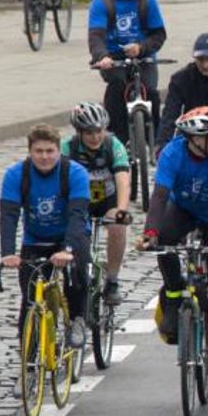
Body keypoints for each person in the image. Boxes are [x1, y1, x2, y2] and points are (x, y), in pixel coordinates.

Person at [136, 108, 208, 395]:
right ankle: (172, 293)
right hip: (184, 209)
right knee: (163, 240)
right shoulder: (173, 152)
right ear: (196, 139)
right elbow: (159, 196)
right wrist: (149, 233)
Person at [0, 124, 91, 348]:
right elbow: (9, 215)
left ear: (59, 151)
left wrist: (68, 250)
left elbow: (78, 215)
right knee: (30, 298)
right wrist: (8, 253)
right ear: (30, 152)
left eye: (50, 151)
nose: (44, 157)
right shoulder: (15, 175)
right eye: (39, 151)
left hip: (69, 238)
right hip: (35, 240)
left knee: (76, 276)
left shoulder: (75, 173)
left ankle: (78, 318)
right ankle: (29, 359)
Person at [87, 0, 167, 145]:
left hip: (143, 53)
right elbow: (96, 35)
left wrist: (141, 47)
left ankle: (158, 143)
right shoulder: (101, 1)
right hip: (113, 56)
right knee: (116, 89)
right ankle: (119, 142)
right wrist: (102, 56)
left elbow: (159, 34)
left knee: (151, 93)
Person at [62, 103, 132, 306]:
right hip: (80, 202)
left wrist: (121, 209)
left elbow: (123, 179)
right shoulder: (69, 147)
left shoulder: (113, 145)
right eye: (89, 132)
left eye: (99, 131)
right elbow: (61, 181)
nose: (95, 137)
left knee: (118, 225)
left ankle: (112, 280)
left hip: (107, 200)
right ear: (79, 132)